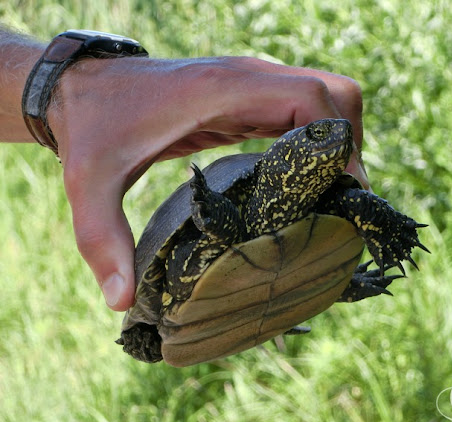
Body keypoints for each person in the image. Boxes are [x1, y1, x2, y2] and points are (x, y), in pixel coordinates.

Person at [0, 27, 367, 312]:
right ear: (288, 155)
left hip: (298, 283)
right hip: (184, 296)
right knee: (144, 336)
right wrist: (63, 91)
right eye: (317, 133)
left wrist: (59, 89)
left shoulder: (311, 192)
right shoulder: (243, 201)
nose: (337, 134)